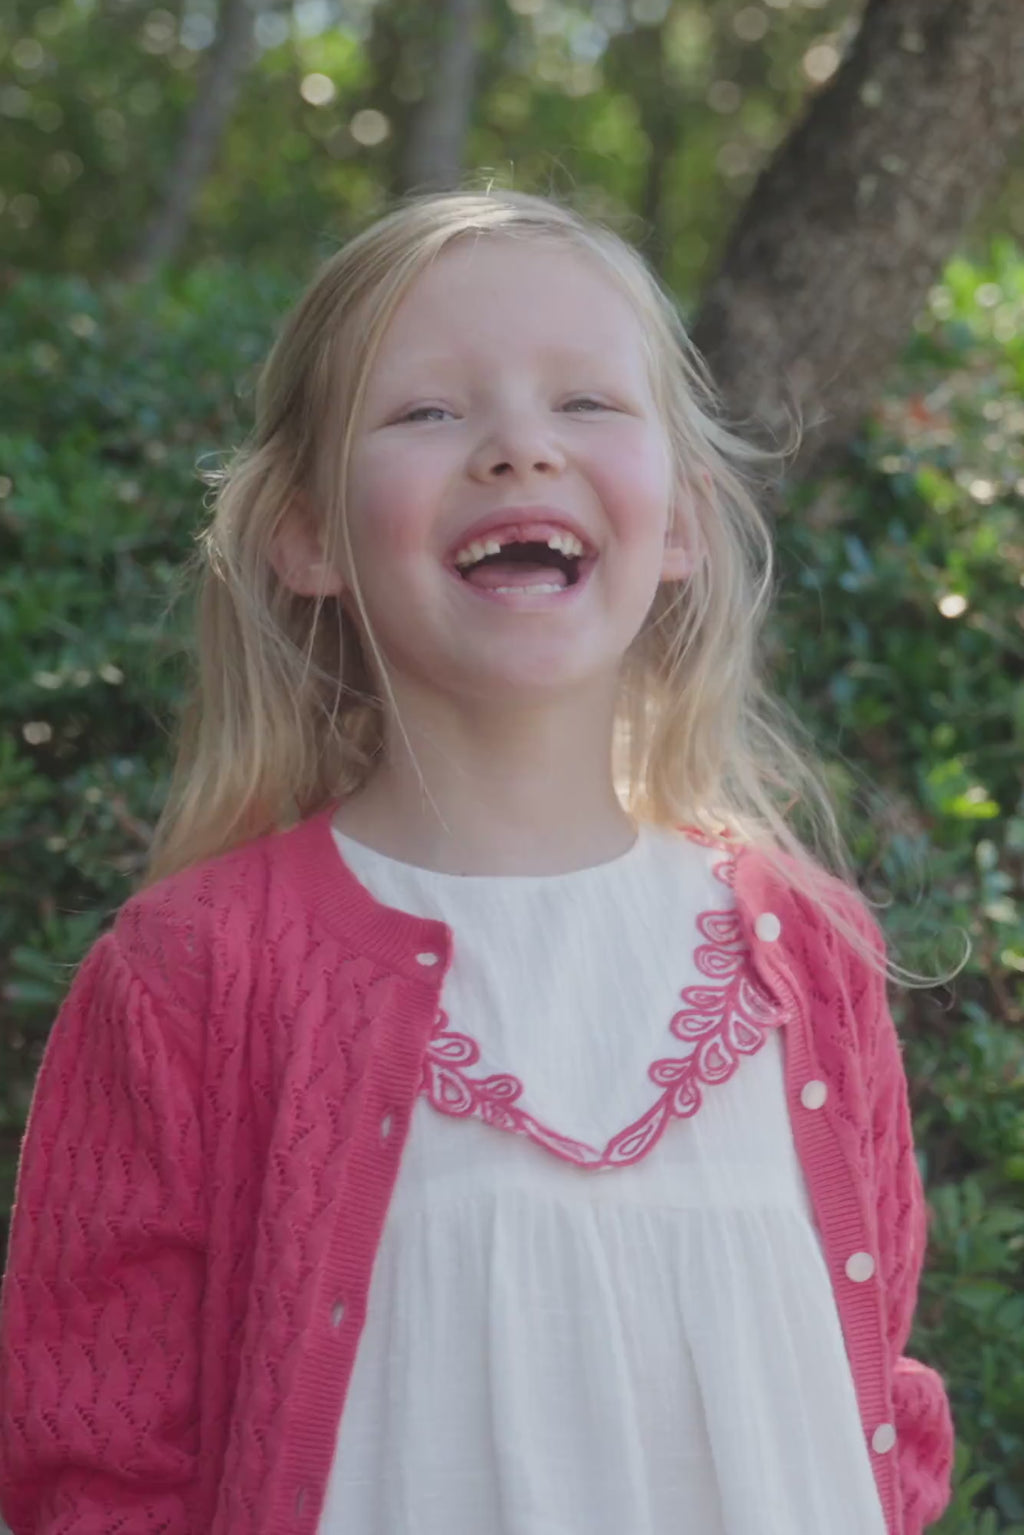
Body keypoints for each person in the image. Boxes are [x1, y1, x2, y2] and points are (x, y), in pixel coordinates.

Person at [0, 188, 956, 1535]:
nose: (519, 449)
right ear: (310, 536)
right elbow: (93, 1483)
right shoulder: (191, 979)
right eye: (429, 411)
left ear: (680, 518)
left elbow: (878, 1426)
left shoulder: (809, 959)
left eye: (585, 404)